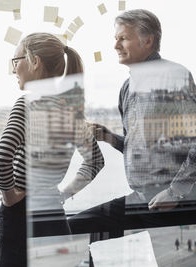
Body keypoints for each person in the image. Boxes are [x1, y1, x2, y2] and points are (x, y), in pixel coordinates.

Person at [70, 9, 196, 236]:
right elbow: (138, 146)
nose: (116, 46)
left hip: (175, 203)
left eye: (123, 38)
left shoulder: (174, 77)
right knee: (72, 231)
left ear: (147, 41)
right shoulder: (127, 87)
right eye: (115, 39)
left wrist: (176, 192)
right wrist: (109, 137)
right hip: (143, 199)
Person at [0, 32, 104, 267]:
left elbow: (2, 156)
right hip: (53, 213)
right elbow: (95, 161)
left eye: (17, 61)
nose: (14, 69)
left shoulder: (27, 103)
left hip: (21, 217)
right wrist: (62, 194)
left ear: (35, 62)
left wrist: (9, 196)